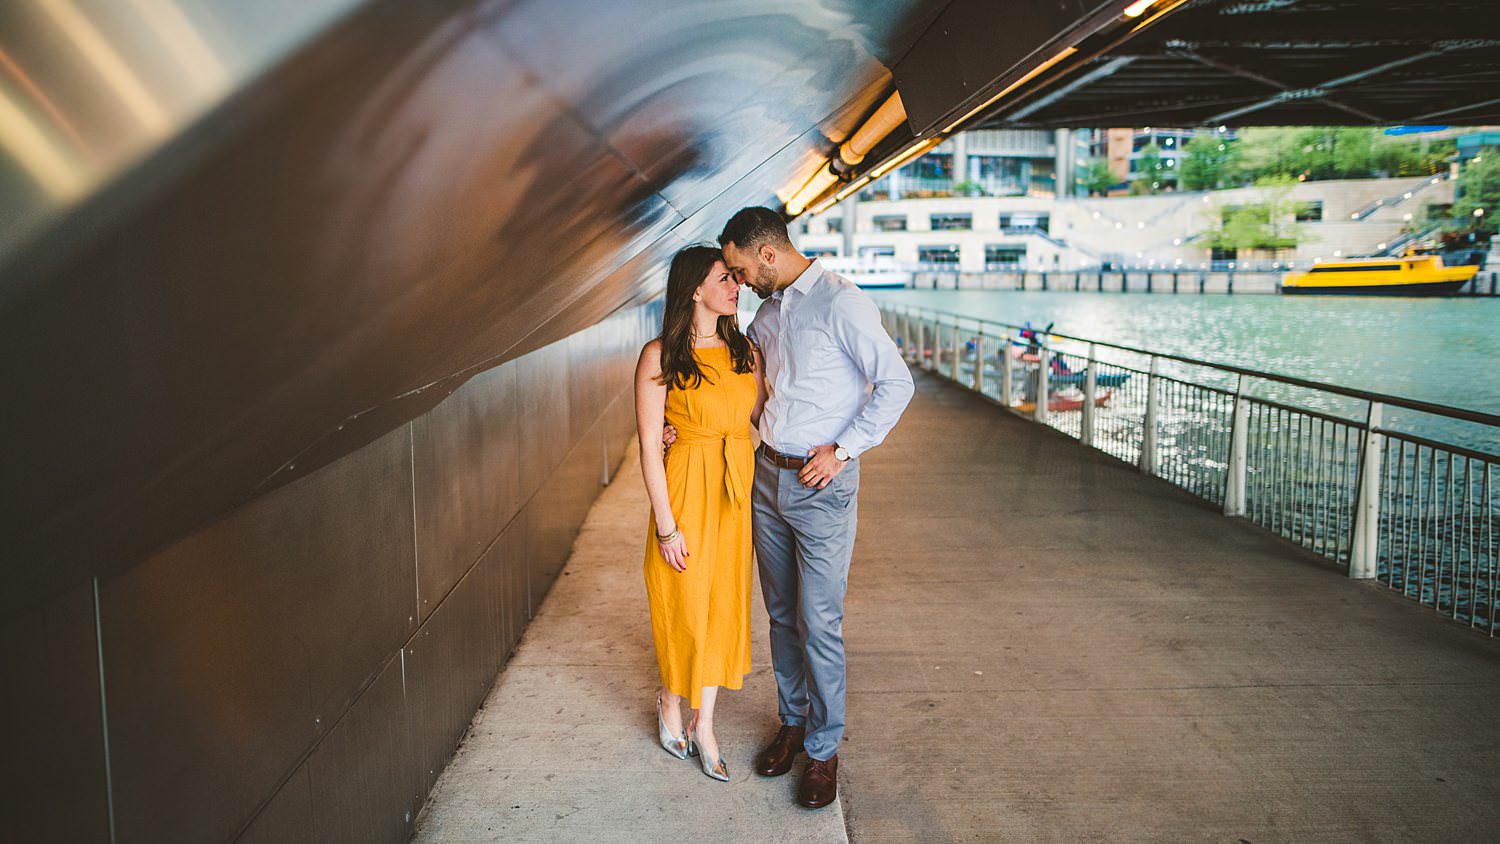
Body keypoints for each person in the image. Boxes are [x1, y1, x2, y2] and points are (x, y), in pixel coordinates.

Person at [718, 207, 914, 808]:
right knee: (780, 616)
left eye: (741, 268)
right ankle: (794, 724)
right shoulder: (769, 310)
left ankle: (824, 753)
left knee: (819, 622)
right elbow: (742, 377)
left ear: (768, 255)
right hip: (767, 476)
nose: (740, 280)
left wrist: (845, 450)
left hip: (820, 485)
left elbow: (897, 383)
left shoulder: (841, 302)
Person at [634, 244, 766, 782]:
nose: (736, 287)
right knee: (683, 601)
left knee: (721, 604)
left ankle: (704, 721)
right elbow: (647, 444)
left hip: (733, 491)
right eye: (724, 279)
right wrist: (666, 525)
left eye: (735, 280)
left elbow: (762, 414)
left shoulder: (745, 353)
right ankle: (671, 696)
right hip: (686, 486)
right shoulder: (660, 355)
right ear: (695, 289)